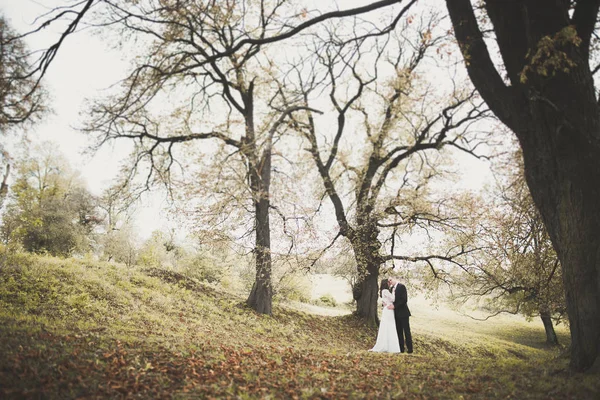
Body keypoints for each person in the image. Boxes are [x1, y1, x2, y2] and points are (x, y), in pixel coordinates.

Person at [369, 278, 401, 353]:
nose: (390, 283)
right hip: (389, 310)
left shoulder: (383, 291)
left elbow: (385, 300)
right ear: (385, 283)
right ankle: (390, 346)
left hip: (387, 309)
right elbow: (393, 299)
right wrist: (393, 291)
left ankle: (388, 345)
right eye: (388, 282)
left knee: (387, 326)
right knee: (390, 326)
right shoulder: (386, 291)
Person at [388, 277, 413, 353]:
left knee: (407, 331)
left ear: (394, 278)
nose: (390, 281)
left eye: (391, 279)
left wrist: (395, 306)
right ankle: (401, 349)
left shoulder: (401, 287)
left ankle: (410, 349)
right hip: (395, 314)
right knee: (399, 332)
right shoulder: (391, 289)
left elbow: (404, 300)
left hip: (403, 313)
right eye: (389, 281)